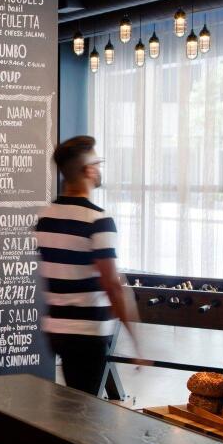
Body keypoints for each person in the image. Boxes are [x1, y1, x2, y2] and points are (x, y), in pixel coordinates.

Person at [35, 135, 138, 397]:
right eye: (97, 162)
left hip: (57, 330)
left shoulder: (44, 217)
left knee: (75, 402)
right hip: (88, 331)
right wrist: (136, 339)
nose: (99, 168)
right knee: (84, 409)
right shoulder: (99, 220)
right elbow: (112, 284)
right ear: (89, 170)